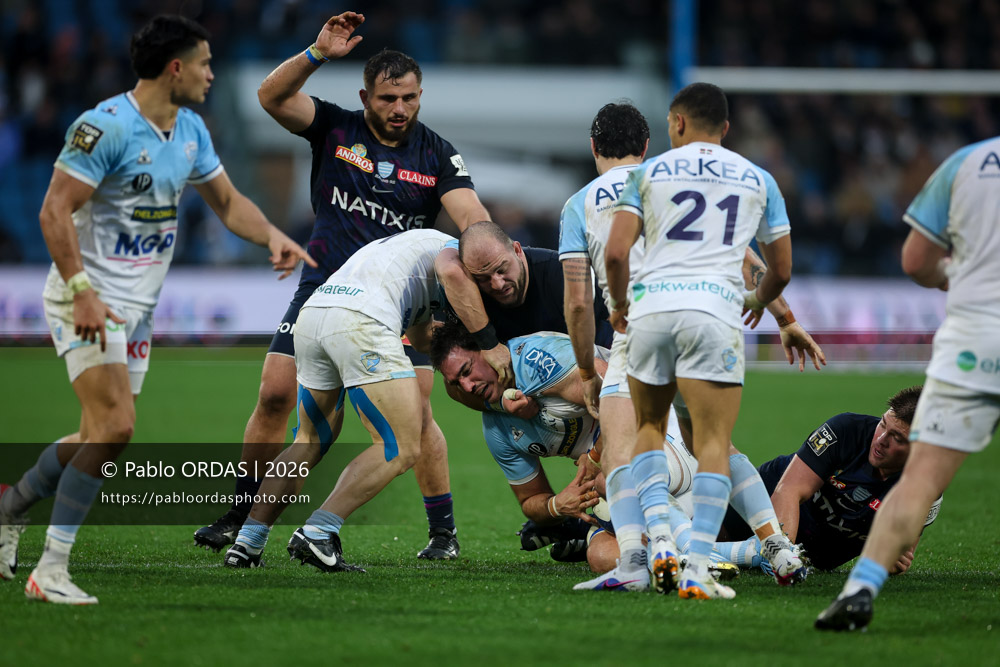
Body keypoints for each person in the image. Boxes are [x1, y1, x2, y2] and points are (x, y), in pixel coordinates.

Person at [0, 15, 315, 605]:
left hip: (136, 310)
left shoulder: (190, 129)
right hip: (86, 297)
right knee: (116, 426)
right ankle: (52, 571)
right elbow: (52, 212)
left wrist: (270, 233)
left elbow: (226, 201)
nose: (211, 74)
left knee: (99, 433)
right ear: (176, 67)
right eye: (204, 63)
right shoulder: (104, 127)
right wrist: (81, 292)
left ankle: (10, 508)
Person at [195, 11, 494, 561]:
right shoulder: (335, 128)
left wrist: (490, 258)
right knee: (276, 395)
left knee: (417, 414)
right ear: (365, 97)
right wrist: (315, 53)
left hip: (397, 308)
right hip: (322, 289)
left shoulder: (437, 154)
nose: (399, 109)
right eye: (387, 99)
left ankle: (443, 533)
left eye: (409, 98)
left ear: (421, 95)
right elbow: (270, 97)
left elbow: (473, 218)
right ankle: (242, 513)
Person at [559, 102, 825, 594]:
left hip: (644, 325)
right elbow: (747, 260)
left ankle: (644, 555)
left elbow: (578, 304)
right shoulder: (674, 180)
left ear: (593, 148)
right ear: (644, 147)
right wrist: (785, 317)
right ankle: (775, 545)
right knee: (716, 446)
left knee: (623, 450)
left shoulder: (580, 204)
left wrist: (589, 374)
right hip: (710, 322)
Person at [604, 82, 796, 600]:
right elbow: (781, 268)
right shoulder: (758, 178)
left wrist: (621, 305)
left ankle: (661, 536)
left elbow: (617, 252)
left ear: (677, 123)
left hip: (653, 312)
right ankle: (696, 567)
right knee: (710, 443)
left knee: (647, 426)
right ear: (726, 129)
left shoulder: (648, 173)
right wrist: (759, 303)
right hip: (714, 313)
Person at [816, 136, 1000, 631]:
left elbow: (916, 260)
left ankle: (859, 589)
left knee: (919, 479)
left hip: (975, 337)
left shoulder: (969, 162)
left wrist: (959, 276)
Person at [224, 229, 460, 571]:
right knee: (400, 446)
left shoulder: (407, 255)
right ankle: (320, 531)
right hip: (362, 320)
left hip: (315, 313)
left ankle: (248, 541)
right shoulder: (457, 258)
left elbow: (423, 339)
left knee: (308, 439)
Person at [719, 385, 941, 574]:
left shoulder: (925, 487)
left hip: (814, 554)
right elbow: (789, 490)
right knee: (710, 531)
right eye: (883, 424)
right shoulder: (845, 431)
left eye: (897, 438)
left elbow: (900, 553)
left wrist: (891, 559)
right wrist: (781, 551)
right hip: (766, 500)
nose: (881, 440)